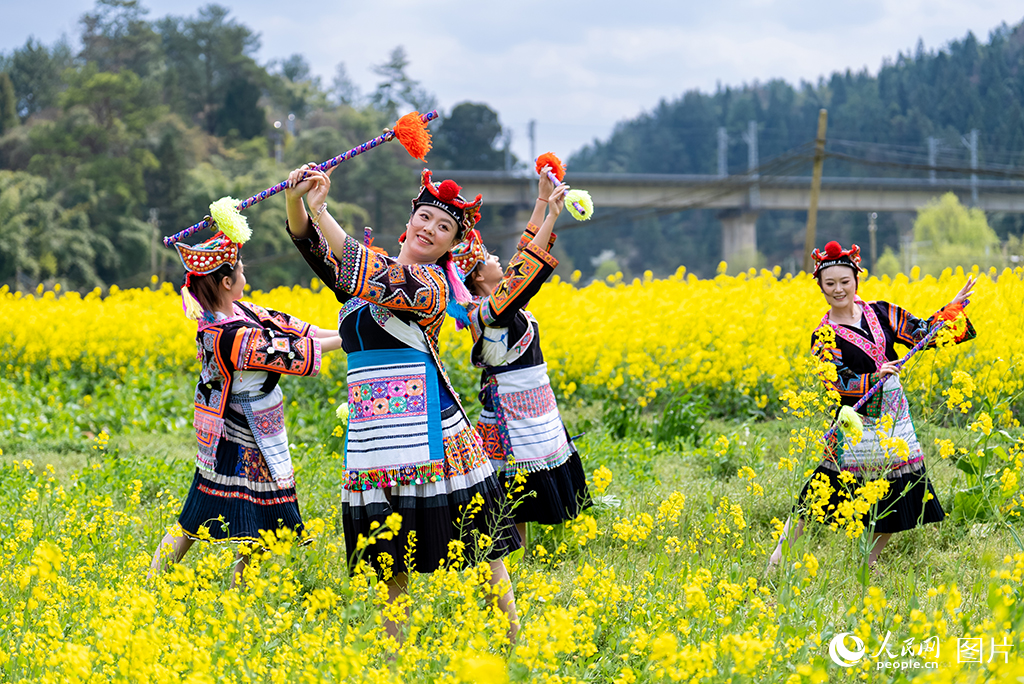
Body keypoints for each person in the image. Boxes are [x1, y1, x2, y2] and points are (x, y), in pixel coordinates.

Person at [283, 164, 521, 640]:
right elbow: (313, 246)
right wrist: (297, 198)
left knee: (484, 547)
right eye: (427, 218)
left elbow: (370, 270)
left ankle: (515, 644)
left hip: (433, 431)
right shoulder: (359, 277)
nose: (431, 230)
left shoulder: (430, 287)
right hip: (376, 436)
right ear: (410, 221)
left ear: (453, 243)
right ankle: (397, 661)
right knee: (391, 561)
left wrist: (322, 208)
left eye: (445, 228)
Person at [150, 231, 342, 585]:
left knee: (261, 514)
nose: (246, 278)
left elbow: (297, 329)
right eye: (241, 272)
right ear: (227, 282)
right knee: (195, 517)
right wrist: (353, 338)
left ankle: (240, 589)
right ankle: (153, 579)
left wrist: (350, 327)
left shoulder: (242, 312)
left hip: (258, 425)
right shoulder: (228, 334)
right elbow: (290, 351)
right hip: (238, 430)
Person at [769, 241, 975, 570]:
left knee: (901, 491)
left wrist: (952, 308)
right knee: (816, 495)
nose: (839, 289)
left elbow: (922, 334)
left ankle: (868, 562)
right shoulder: (824, 334)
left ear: (856, 279)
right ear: (820, 286)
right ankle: (776, 563)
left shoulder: (880, 312)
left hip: (894, 419)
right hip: (854, 423)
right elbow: (835, 382)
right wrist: (875, 375)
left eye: (844, 281)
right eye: (830, 283)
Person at [451, 167, 590, 544]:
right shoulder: (490, 310)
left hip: (527, 403)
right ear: (479, 276)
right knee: (512, 491)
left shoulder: (494, 303)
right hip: (513, 411)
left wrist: (542, 200)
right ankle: (511, 561)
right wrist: (551, 216)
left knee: (517, 492)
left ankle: (517, 560)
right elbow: (525, 266)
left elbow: (520, 259)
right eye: (490, 257)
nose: (499, 258)